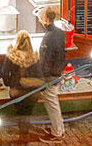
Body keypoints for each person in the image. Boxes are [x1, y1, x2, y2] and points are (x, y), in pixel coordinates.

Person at [37, 8, 69, 139]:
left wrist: (43, 79)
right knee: (53, 102)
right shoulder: (59, 33)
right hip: (56, 72)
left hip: (50, 75)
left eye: (40, 18)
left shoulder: (49, 37)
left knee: (52, 103)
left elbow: (46, 59)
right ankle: (59, 128)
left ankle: (57, 133)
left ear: (46, 19)